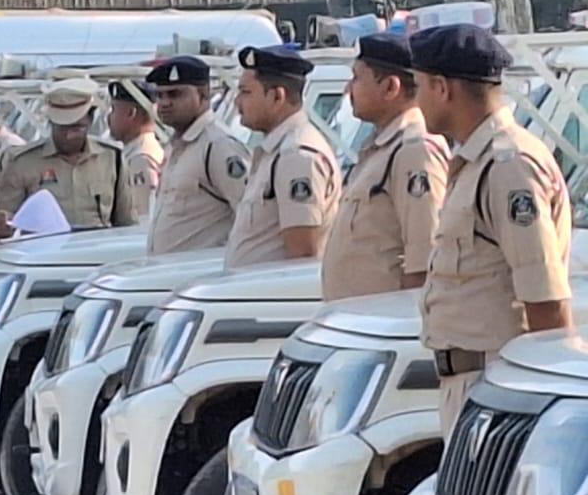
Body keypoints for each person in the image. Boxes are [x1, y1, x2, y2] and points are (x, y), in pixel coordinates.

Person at [413, 23, 573, 431]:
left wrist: (538, 403)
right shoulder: (478, 162)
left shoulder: (508, 165)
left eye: (419, 87)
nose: (417, 101)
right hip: (476, 384)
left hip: (500, 389)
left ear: (442, 88)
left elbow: (546, 301)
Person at [322, 33, 449, 302]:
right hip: (358, 318)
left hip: (385, 319)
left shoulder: (414, 150)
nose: (348, 89)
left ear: (390, 87)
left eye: (357, 78)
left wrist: (406, 320)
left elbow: (425, 260)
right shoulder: (382, 148)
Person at [225, 45, 340, 270]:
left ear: (277, 96)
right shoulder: (278, 151)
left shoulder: (297, 156)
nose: (237, 103)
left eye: (246, 92)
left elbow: (303, 254)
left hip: (271, 291)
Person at [0, 78, 133, 239]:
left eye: (76, 128)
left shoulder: (111, 158)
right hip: (44, 251)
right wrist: (1, 225)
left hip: (98, 250)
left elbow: (126, 225)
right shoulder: (22, 163)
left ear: (90, 120)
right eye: (61, 128)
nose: (68, 136)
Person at [142, 55, 251, 256]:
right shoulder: (175, 146)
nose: (164, 103)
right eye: (160, 95)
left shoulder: (219, 146)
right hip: (168, 270)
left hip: (201, 270)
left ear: (203, 95)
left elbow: (251, 217)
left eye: (175, 94)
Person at [106, 79, 165, 220]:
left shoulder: (141, 159)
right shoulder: (141, 151)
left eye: (113, 109)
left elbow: (142, 217)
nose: (108, 117)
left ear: (131, 113)